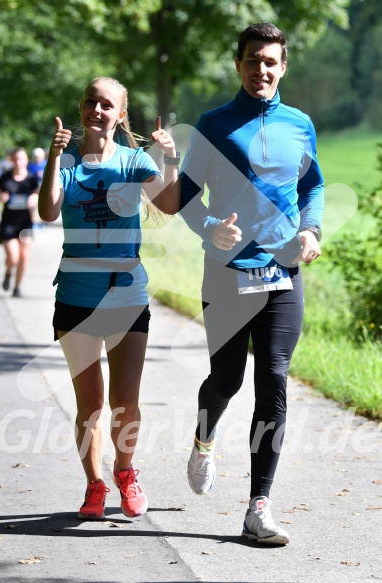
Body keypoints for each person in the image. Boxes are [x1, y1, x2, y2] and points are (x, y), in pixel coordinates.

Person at [179, 23, 324, 545]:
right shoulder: (214, 125)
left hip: (284, 271)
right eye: (252, 60)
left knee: (275, 379)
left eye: (270, 61)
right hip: (226, 274)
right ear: (237, 65)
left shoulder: (299, 124)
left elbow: (313, 184)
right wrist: (210, 228)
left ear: (283, 67)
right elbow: (185, 197)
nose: (261, 70)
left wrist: (311, 229)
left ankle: (258, 507)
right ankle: (204, 435)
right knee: (226, 380)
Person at [38, 77, 180, 520]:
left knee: (125, 400)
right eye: (89, 102)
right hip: (77, 296)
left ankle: (124, 472)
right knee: (90, 404)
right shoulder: (67, 164)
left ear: (121, 115)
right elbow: (46, 211)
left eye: (106, 105)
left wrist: (171, 158)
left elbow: (171, 204)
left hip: (126, 295)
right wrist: (52, 159)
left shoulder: (135, 160)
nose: (96, 110)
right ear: (81, 109)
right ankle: (94, 485)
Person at [0, 147, 39, 297]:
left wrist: (35, 198)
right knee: (13, 257)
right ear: (12, 160)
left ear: (27, 160)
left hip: (25, 223)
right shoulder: (5, 177)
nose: (19, 162)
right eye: (17, 159)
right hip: (8, 223)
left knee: (24, 256)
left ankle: (17, 287)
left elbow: (37, 194)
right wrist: (1, 197)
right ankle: (8, 273)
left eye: (22, 158)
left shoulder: (31, 179)